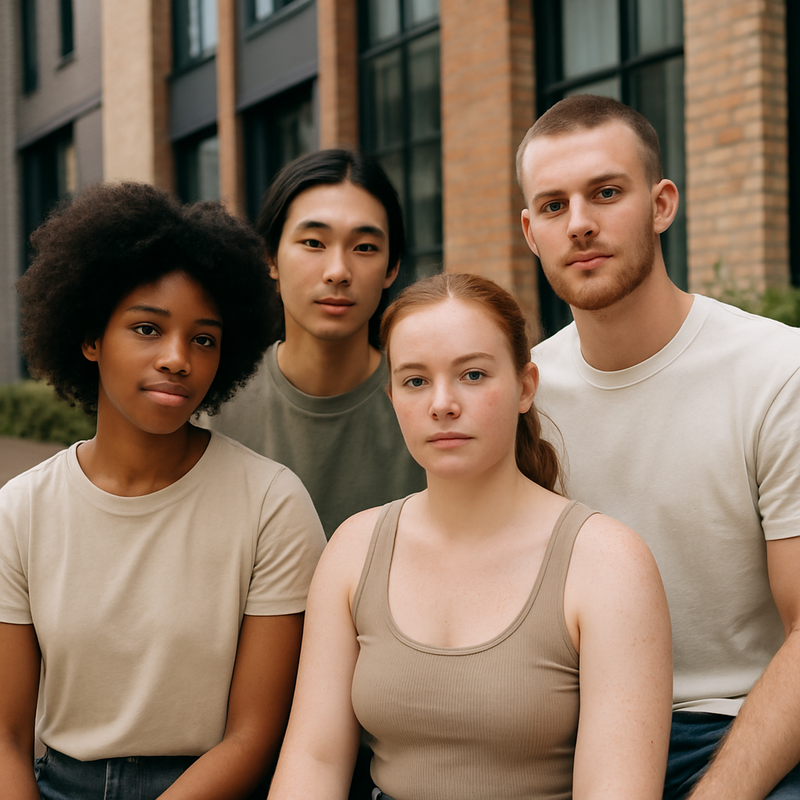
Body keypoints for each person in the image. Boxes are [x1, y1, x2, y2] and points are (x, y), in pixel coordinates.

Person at [267, 272, 672, 800]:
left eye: (473, 375)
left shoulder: (608, 562)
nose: (442, 403)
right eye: (415, 381)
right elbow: (313, 762)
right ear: (391, 398)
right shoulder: (354, 548)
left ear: (526, 386)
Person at [0, 182, 326, 800]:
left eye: (203, 338)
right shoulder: (20, 511)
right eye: (148, 329)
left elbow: (253, 737)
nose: (178, 358)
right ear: (90, 338)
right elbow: (6, 738)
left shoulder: (270, 503)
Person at [517, 94, 800, 800]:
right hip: (575, 739)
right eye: (553, 207)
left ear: (661, 203)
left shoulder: (775, 371)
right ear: (530, 231)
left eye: (606, 193)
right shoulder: (523, 396)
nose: (579, 224)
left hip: (741, 726)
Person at [207, 149, 426, 540]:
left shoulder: (431, 404)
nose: (338, 271)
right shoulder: (211, 401)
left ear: (392, 267)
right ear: (269, 257)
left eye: (364, 248)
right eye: (313, 242)